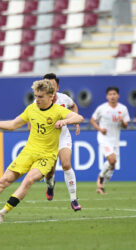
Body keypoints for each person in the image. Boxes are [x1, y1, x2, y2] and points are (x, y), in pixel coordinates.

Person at [0, 79, 84, 222]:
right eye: (35, 96)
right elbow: (12, 125)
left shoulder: (58, 111)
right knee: (4, 180)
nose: (37, 99)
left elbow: (79, 117)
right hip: (28, 152)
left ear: (51, 96)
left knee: (28, 180)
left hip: (46, 157)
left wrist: (65, 121)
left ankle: (2, 213)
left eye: (40, 97)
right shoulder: (31, 109)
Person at [42, 73, 81, 211]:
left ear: (57, 87)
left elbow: (74, 106)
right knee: (49, 173)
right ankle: (51, 185)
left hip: (63, 136)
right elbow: (31, 122)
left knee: (66, 164)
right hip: (48, 141)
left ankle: (73, 199)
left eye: (52, 85)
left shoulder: (64, 99)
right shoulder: (38, 102)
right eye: (46, 85)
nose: (49, 87)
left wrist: (75, 122)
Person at [90, 86, 130, 194]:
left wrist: (122, 122)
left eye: (114, 94)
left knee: (113, 165)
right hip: (104, 138)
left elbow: (126, 126)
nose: (112, 96)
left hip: (115, 140)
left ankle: (101, 184)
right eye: (110, 94)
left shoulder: (123, 109)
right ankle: (101, 177)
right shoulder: (102, 108)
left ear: (118, 95)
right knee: (112, 160)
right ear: (107, 96)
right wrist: (99, 129)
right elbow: (93, 120)